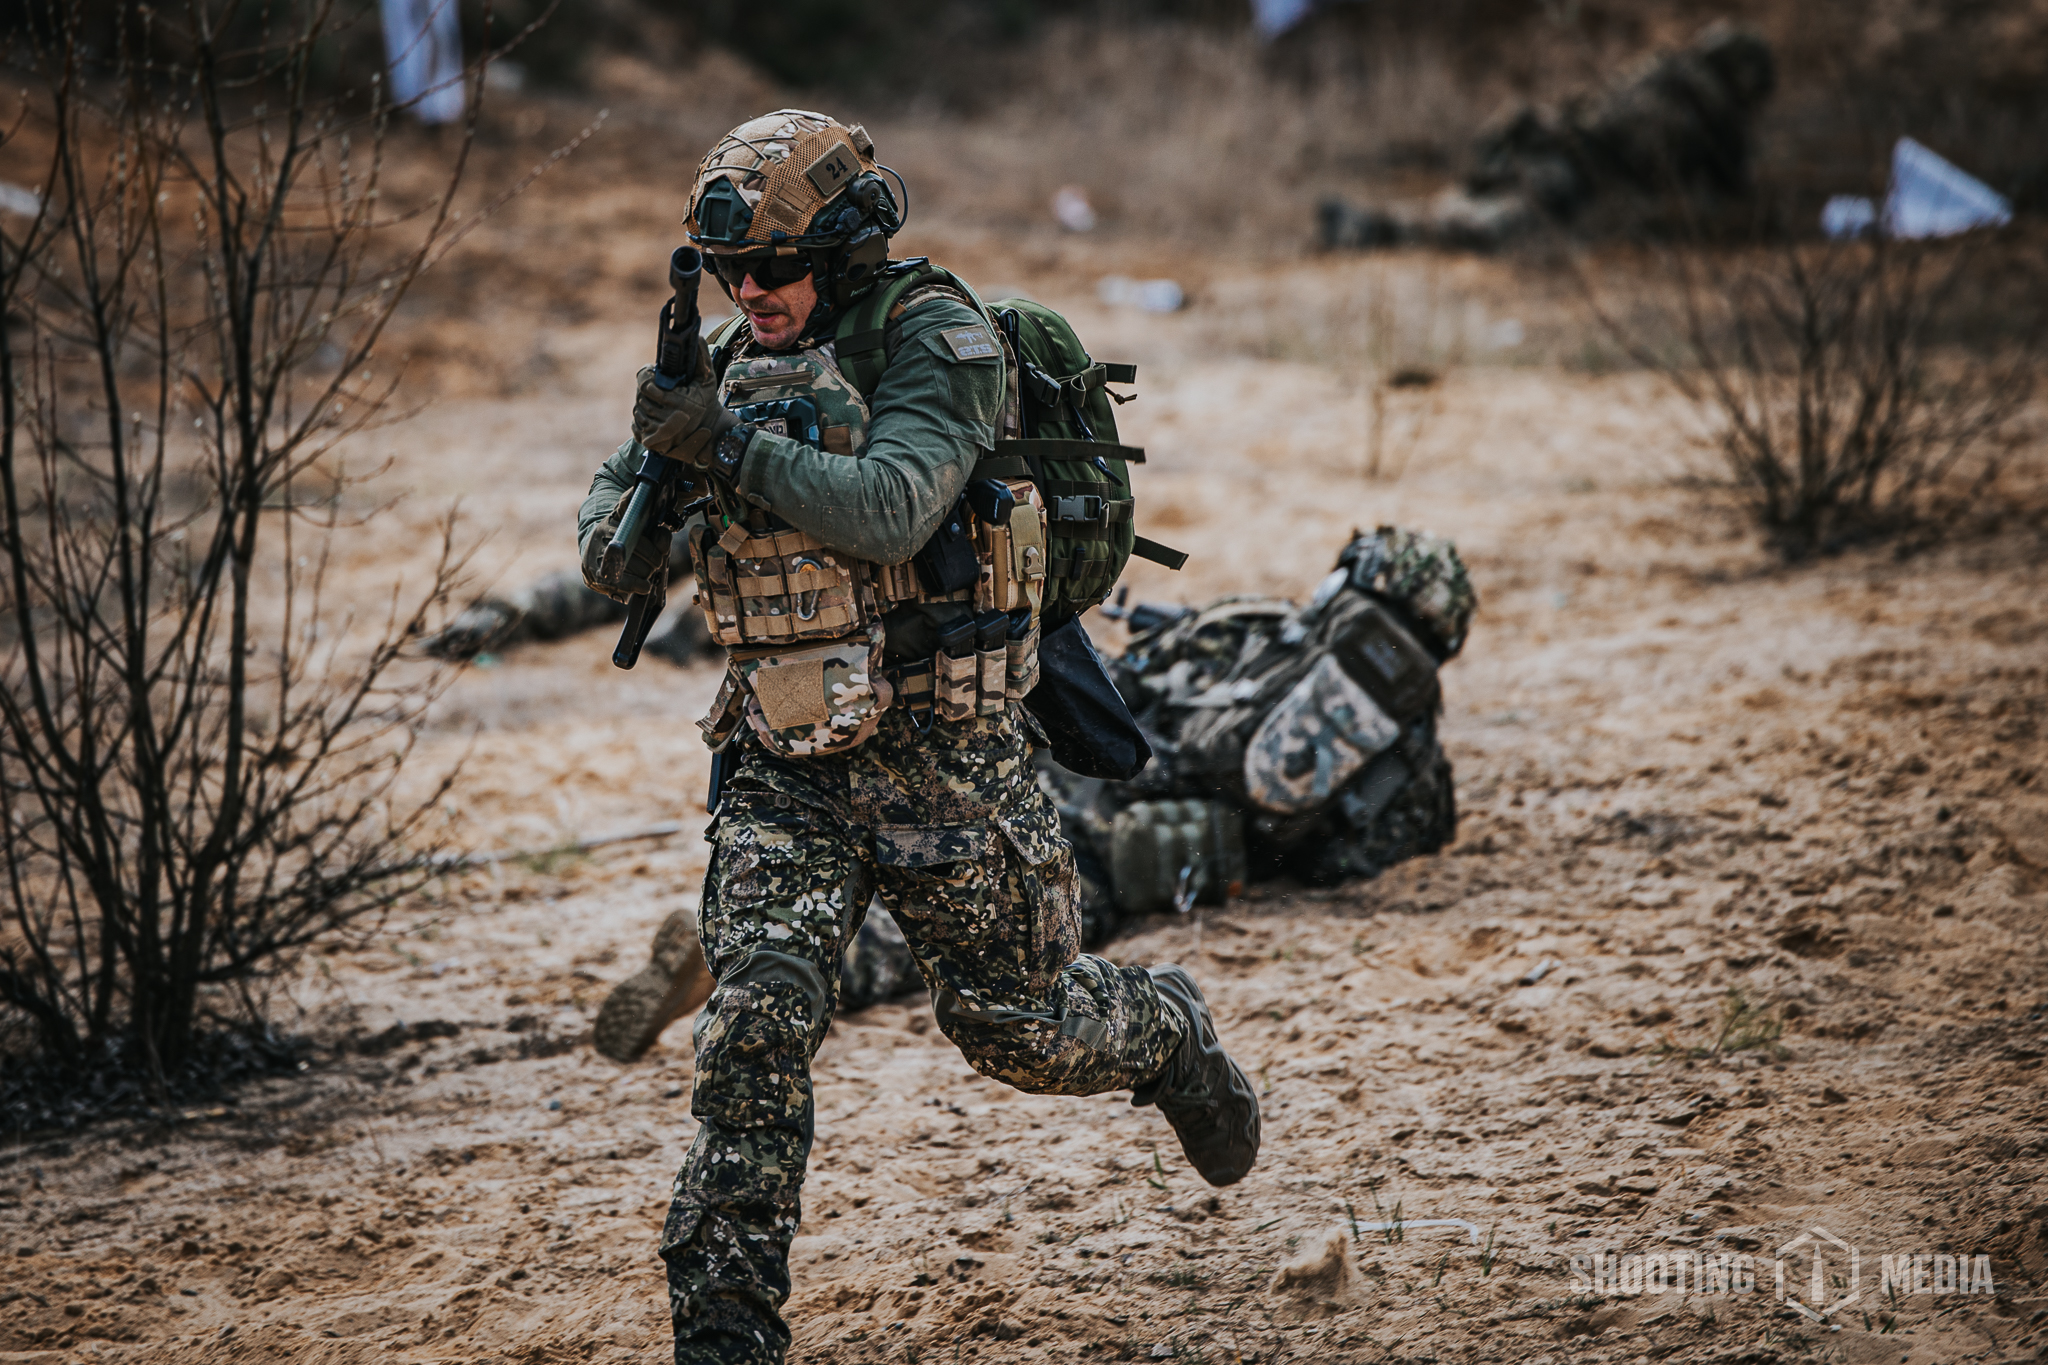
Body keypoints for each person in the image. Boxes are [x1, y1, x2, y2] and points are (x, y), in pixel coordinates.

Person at [574, 109, 1258, 1365]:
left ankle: (1168, 1033)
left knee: (1020, 1028)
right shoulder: (727, 355)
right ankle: (724, 1332)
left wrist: (720, 443)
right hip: (785, 767)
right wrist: (661, 466)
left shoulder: (935, 337)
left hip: (950, 765)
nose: (749, 290)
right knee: (754, 1028)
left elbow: (891, 511)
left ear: (839, 254)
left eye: (773, 268)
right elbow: (605, 553)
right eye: (730, 271)